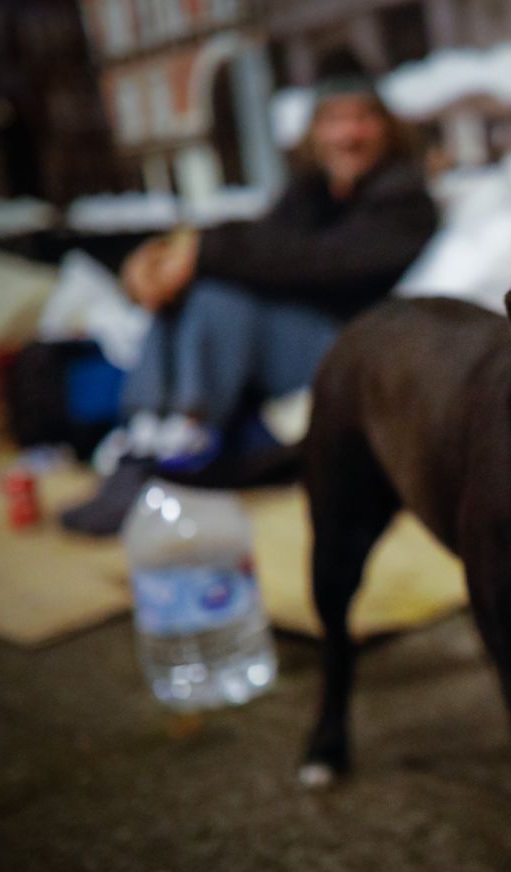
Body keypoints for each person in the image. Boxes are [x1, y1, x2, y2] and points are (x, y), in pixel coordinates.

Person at [62, 60, 437, 536]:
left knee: (220, 293)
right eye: (333, 120)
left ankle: (186, 435)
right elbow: (265, 244)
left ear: (386, 127)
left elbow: (321, 262)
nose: (348, 135)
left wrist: (203, 251)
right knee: (193, 288)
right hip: (294, 340)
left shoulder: (403, 198)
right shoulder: (308, 192)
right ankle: (148, 433)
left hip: (351, 347)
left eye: (361, 118)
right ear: (315, 131)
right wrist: (175, 257)